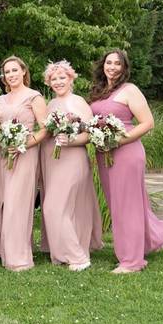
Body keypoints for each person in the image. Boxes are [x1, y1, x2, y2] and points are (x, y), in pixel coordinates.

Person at [89, 49, 163, 273]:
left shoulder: (130, 90)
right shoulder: (100, 91)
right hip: (104, 154)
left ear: (124, 67)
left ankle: (131, 261)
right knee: (118, 205)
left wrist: (118, 141)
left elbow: (147, 123)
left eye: (117, 63)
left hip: (126, 153)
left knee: (126, 206)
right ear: (103, 65)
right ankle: (147, 241)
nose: (112, 67)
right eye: (108, 62)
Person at [40, 60, 103, 271]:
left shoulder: (78, 102)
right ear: (49, 83)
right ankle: (63, 253)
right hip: (53, 160)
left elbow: (90, 133)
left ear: (70, 79)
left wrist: (71, 140)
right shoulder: (50, 105)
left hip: (73, 159)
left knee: (52, 207)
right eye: (53, 79)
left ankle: (78, 258)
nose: (57, 82)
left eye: (61, 77)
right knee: (64, 207)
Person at [0, 55, 47, 272]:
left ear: (24, 72)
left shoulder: (34, 97)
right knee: (4, 202)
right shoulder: (1, 99)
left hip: (25, 155)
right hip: (4, 154)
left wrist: (25, 143)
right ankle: (5, 250)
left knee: (19, 203)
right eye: (7, 72)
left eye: (15, 70)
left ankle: (19, 256)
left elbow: (45, 128)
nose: (11, 75)